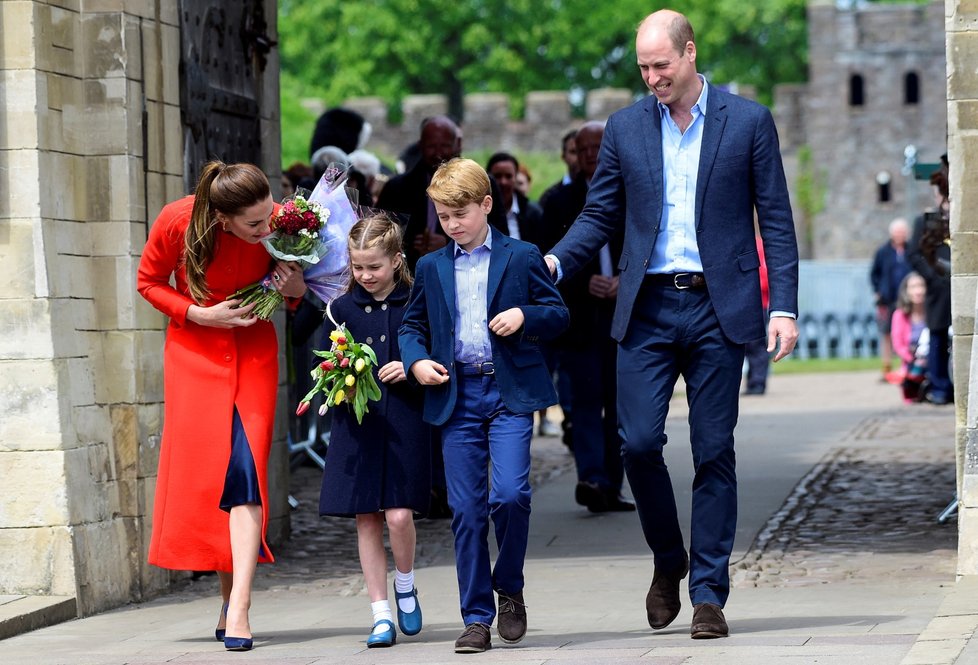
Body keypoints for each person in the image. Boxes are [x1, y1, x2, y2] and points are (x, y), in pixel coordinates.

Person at [545, 10, 799, 639]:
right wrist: (553, 260)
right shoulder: (627, 128)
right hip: (648, 307)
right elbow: (600, 213)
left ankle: (709, 593)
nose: (652, 77)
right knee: (635, 443)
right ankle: (668, 559)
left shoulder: (747, 122)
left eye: (661, 65)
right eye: (643, 67)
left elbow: (776, 219)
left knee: (714, 449)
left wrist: (784, 307)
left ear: (689, 54)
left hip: (720, 306)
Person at [399, 158, 569, 653]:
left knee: (512, 494)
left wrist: (524, 314)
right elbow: (413, 328)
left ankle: (509, 585)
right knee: (467, 511)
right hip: (457, 396)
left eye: (461, 214)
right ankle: (476, 616)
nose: (452, 225)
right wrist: (416, 363)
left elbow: (558, 314)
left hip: (509, 391)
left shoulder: (521, 255)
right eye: (443, 216)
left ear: (487, 206)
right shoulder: (431, 267)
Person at [137, 161, 307, 652]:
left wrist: (292, 278)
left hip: (254, 358)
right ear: (220, 216)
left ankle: (241, 608)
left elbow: (299, 294)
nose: (266, 227)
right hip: (194, 359)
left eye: (268, 214)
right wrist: (198, 313)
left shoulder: (284, 223)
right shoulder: (177, 220)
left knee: (246, 474)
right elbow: (148, 282)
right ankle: (227, 599)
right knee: (218, 480)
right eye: (254, 224)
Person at [318, 215, 431, 648]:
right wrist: (337, 373)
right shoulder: (340, 309)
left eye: (374, 267)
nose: (365, 276)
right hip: (358, 425)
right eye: (358, 267)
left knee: (400, 515)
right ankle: (380, 614)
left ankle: (406, 583)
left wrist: (411, 367)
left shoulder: (417, 300)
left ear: (396, 260)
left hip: (405, 420)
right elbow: (324, 359)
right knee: (366, 517)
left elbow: (436, 351)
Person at [542, 121, 634, 513]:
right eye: (584, 149)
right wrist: (586, 284)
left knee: (620, 405)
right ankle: (592, 478)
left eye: (599, 147)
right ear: (574, 154)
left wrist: (622, 283)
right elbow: (545, 262)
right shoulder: (557, 201)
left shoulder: (631, 192)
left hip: (624, 318)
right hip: (579, 321)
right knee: (584, 404)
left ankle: (612, 483)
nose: (592, 156)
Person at [908, 168, 952, 405]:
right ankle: (940, 387)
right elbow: (915, 254)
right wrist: (932, 276)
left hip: (960, 286)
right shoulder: (927, 221)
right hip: (938, 289)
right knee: (937, 338)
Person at [869, 218, 912, 382]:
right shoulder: (883, 252)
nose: (900, 235)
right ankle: (886, 369)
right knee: (886, 334)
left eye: (902, 232)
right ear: (892, 233)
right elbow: (874, 274)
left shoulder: (911, 250)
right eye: (897, 232)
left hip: (907, 299)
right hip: (887, 300)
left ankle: (907, 367)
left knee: (906, 333)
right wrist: (878, 291)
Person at [890, 272, 929, 402]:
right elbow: (898, 344)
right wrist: (912, 358)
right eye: (913, 287)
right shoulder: (900, 315)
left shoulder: (933, 312)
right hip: (912, 367)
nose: (918, 291)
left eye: (921, 286)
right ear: (906, 291)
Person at [743, 234, 771, 395]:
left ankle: (757, 382)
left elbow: (766, 277)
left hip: (758, 302)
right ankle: (753, 382)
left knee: (756, 345)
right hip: (743, 302)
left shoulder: (759, 245)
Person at [539, 129, 580, 210]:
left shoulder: (603, 192)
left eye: (582, 151)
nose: (578, 157)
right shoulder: (549, 197)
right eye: (573, 152)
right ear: (563, 156)